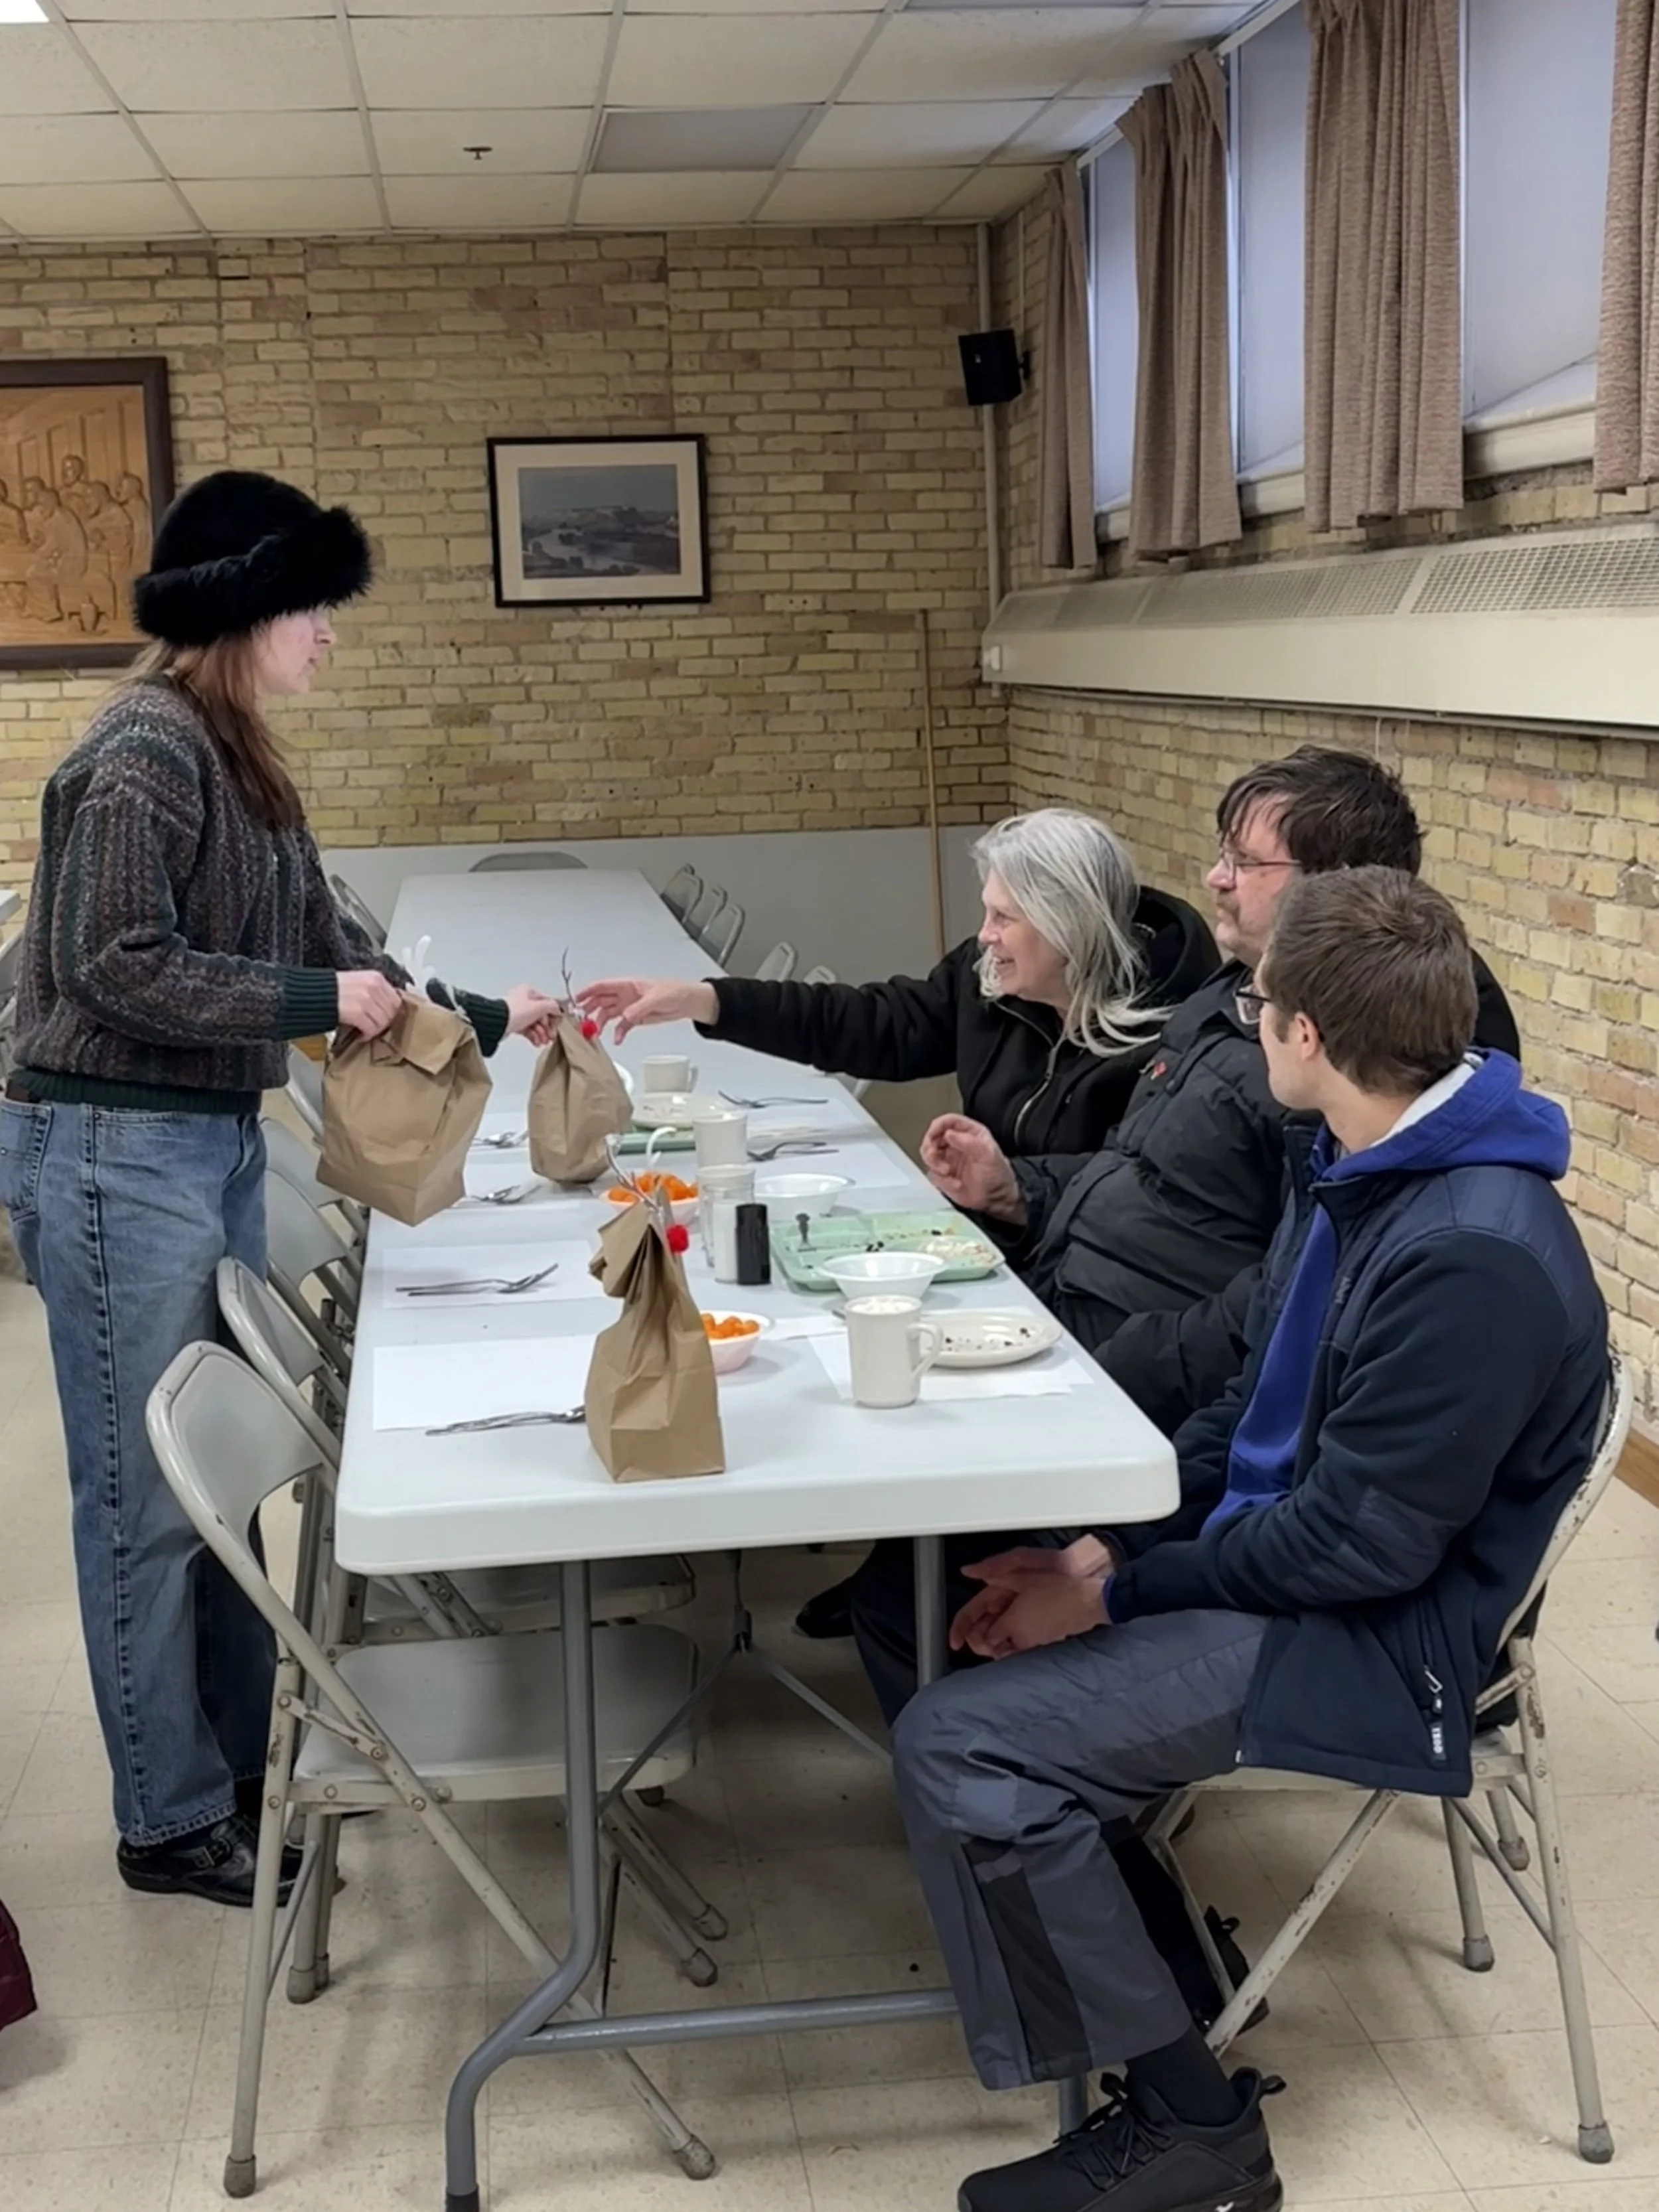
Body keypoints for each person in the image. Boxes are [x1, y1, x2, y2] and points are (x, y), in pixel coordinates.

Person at [883, 867, 1607, 2212]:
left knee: (960, 1737)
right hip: (1307, 1569)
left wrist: (1115, 1593)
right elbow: (1253, 1411)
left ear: (1306, 1037)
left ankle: (1192, 2127)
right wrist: (1101, 1551)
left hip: (1381, 1641)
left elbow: (1358, 1549)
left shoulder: (1471, 1249)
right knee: (970, 1622)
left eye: (1257, 1005)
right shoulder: (1370, 1167)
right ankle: (1169, 1981)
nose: (1241, 1022)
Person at [0, 469, 562, 1909]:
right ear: (240, 609)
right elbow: (110, 963)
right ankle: (167, 1818)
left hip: (198, 1139)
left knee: (211, 1502)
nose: (329, 637)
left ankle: (238, 1763)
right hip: (119, 1149)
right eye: (312, 607)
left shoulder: (239, 756)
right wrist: (324, 990)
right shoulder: (141, 754)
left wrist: (503, 1021)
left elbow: (346, 950)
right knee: (143, 1495)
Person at [922, 748, 1520, 1439]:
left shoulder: (1373, 1047)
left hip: (1143, 1368)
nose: (1215, 878)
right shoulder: (1231, 985)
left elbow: (1296, 1294)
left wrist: (1109, 1374)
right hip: (1066, 1295)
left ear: (1335, 886)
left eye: (1244, 862)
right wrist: (1015, 1189)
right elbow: (1145, 1170)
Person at [577, 808, 1217, 1157]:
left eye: (1004, 918)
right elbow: (870, 1022)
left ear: (1068, 927)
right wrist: (709, 999)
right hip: (994, 1245)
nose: (985, 935)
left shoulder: (1170, 1043)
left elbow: (1129, 1201)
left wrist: (1010, 1193)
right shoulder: (990, 980)